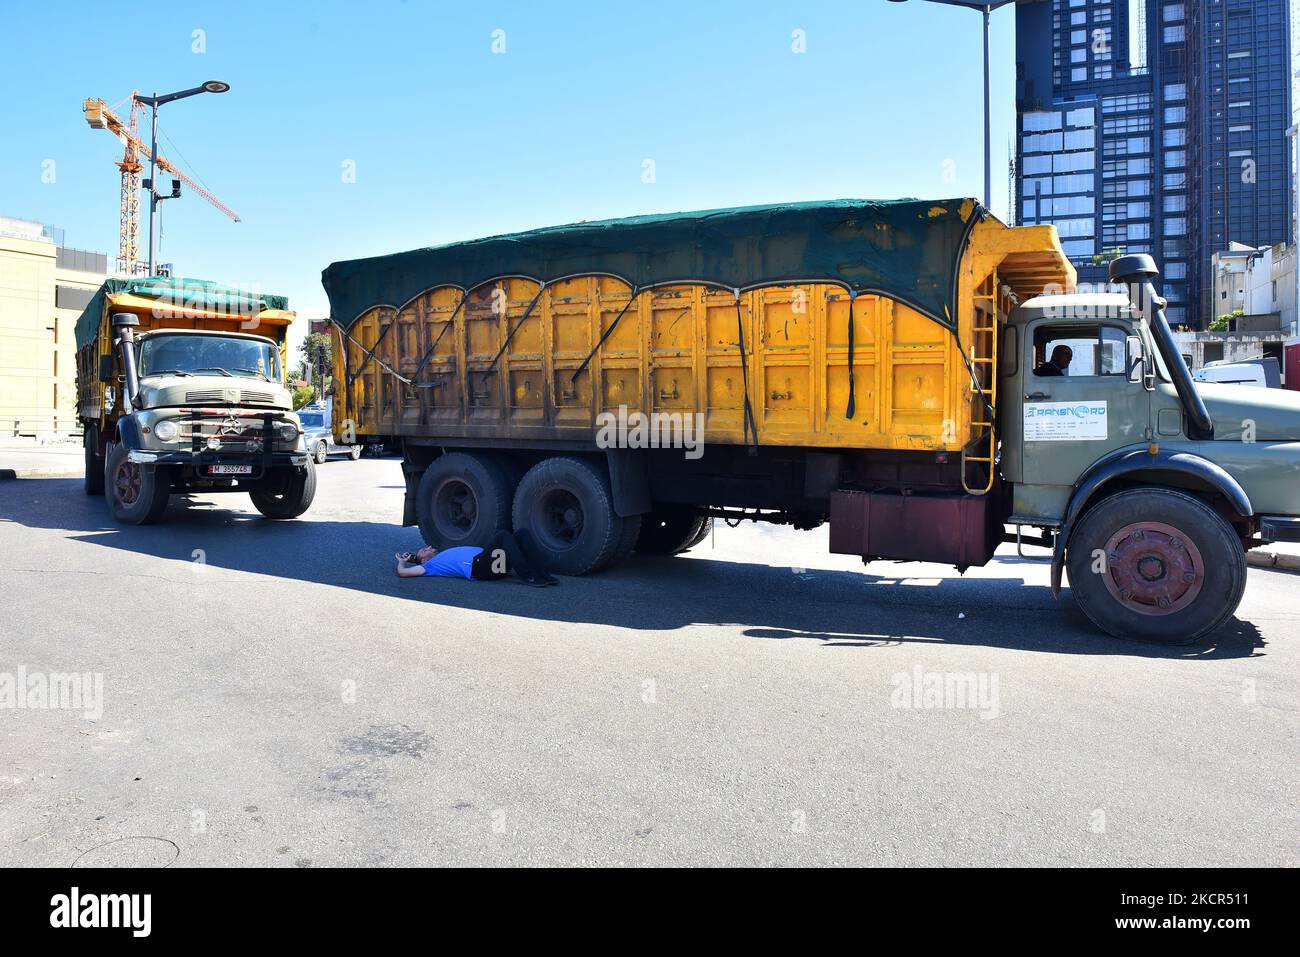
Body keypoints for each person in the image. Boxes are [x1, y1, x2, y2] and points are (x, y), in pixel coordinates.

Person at [396, 529, 556, 586]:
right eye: (425, 550)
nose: (429, 547)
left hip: (492, 563)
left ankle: (542, 573)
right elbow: (404, 573)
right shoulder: (430, 566)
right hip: (480, 569)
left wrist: (411, 556)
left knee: (522, 533)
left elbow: (416, 557)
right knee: (502, 535)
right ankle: (528, 575)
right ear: (424, 560)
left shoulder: (440, 556)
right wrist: (403, 562)